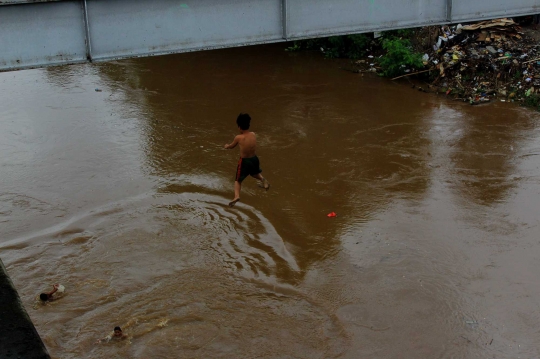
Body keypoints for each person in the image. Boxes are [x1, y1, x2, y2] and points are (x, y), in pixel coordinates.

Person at [224, 113, 270, 207]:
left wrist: (227, 146)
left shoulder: (238, 137)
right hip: (254, 159)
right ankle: (263, 180)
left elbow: (232, 146)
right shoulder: (253, 134)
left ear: (239, 127)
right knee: (254, 173)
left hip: (244, 161)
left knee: (238, 180)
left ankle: (236, 196)